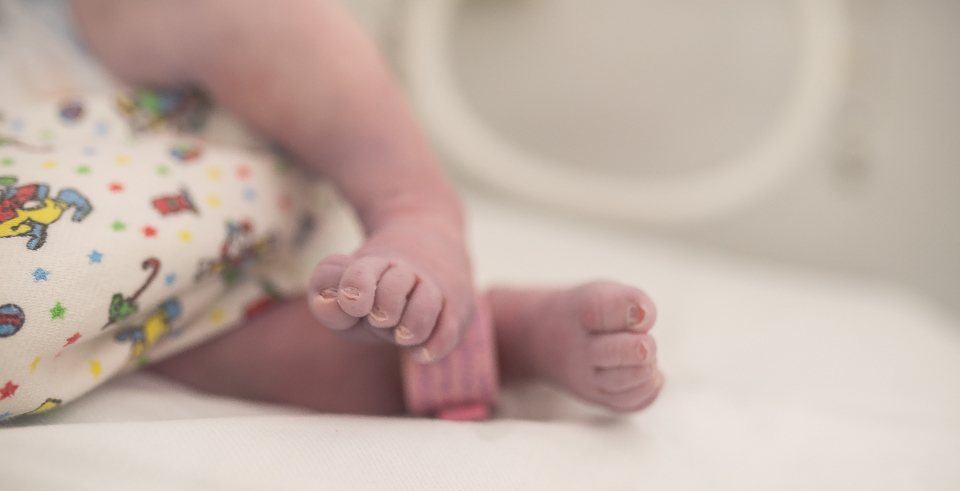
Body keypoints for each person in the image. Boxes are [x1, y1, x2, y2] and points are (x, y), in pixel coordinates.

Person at [0, 0, 662, 421]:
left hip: (105, 88)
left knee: (236, 16)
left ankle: (413, 207)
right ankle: (505, 339)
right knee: (307, 365)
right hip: (131, 314)